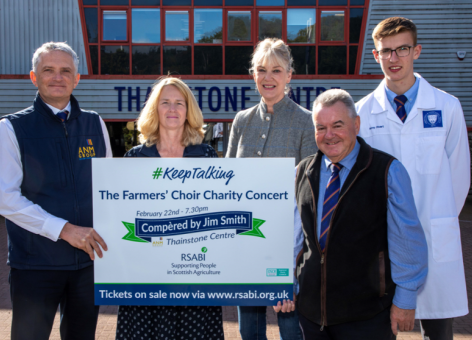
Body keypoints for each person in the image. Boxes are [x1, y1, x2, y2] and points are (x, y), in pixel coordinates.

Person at [276, 89, 428, 339]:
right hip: (312, 317)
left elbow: (408, 241)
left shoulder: (388, 171)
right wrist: (286, 284)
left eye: (337, 125)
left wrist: (405, 299)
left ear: (356, 125)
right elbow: (292, 240)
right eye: (321, 127)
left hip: (367, 317)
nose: (329, 135)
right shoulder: (301, 173)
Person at [356, 17, 470, 340]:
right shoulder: (362, 114)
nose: (394, 58)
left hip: (436, 242)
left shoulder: (447, 108)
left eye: (402, 49)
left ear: (416, 51)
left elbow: (459, 179)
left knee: (439, 332)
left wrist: (439, 217)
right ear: (375, 56)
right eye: (385, 51)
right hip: (383, 242)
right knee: (379, 330)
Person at [0, 42, 112, 339]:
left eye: (66, 71)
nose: (58, 77)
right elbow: (6, 198)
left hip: (88, 264)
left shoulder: (95, 123)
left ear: (77, 79)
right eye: (48, 70)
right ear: (34, 77)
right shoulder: (11, 128)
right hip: (35, 264)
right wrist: (64, 230)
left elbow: (110, 188)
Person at [115, 77, 224, 340]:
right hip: (146, 277)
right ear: (155, 109)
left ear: (188, 110)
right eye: (165, 102)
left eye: (179, 102)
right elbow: (122, 218)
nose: (172, 108)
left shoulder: (206, 155)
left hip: (195, 276)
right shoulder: (135, 157)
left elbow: (219, 211)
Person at [226, 38, 317, 340]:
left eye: (276, 70)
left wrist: (295, 261)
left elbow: (309, 196)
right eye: (261, 70)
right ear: (253, 74)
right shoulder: (241, 121)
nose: (268, 78)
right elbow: (228, 181)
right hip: (246, 242)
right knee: (248, 331)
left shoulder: (306, 122)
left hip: (287, 249)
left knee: (291, 330)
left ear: (289, 75)